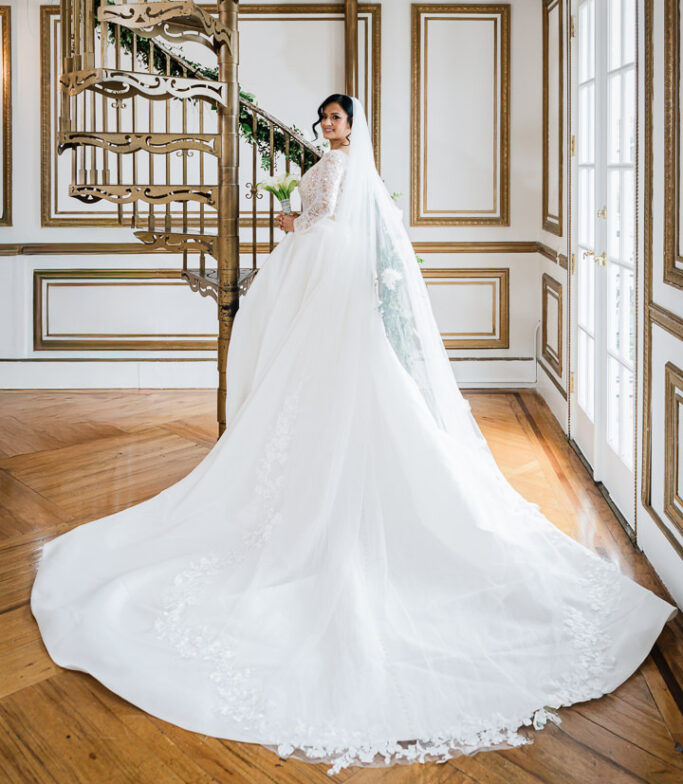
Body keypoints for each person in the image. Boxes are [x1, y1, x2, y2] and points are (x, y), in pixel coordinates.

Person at [31, 93, 677, 776]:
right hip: (328, 271)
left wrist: (290, 217)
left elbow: (324, 215)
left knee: (315, 374)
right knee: (316, 377)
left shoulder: (338, 167)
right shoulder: (339, 163)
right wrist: (295, 215)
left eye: (336, 119)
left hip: (322, 265)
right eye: (325, 120)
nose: (329, 128)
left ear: (350, 125)